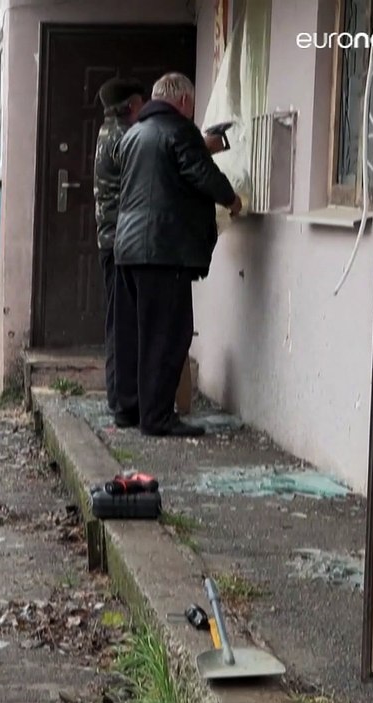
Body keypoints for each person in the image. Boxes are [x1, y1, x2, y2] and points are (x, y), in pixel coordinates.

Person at [112, 72, 242, 437]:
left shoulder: (135, 133)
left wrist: (199, 145)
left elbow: (162, 174)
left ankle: (130, 410)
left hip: (129, 247)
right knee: (169, 333)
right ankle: (157, 418)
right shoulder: (179, 130)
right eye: (193, 103)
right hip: (163, 250)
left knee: (134, 332)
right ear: (184, 101)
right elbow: (200, 174)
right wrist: (232, 200)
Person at [92, 78, 149, 421]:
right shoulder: (123, 138)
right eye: (142, 104)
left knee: (118, 322)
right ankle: (124, 402)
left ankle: (120, 398)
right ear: (130, 106)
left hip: (110, 239)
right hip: (120, 242)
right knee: (124, 324)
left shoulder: (106, 132)